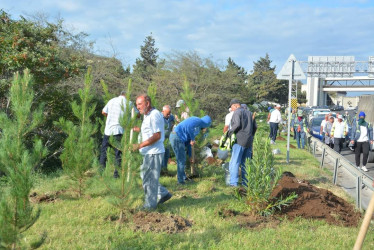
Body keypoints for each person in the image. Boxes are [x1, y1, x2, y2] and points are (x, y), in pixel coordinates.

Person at [132, 95, 172, 210]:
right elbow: (150, 131)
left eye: (140, 104)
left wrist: (139, 145)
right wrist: (137, 129)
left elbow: (157, 135)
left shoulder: (154, 115)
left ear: (147, 103)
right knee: (145, 175)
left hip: (154, 152)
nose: (137, 107)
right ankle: (163, 193)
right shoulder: (147, 115)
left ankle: (150, 206)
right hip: (148, 152)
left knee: (149, 180)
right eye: (137, 104)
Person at [100, 91, 134, 178]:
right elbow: (136, 114)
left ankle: (101, 173)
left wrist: (111, 117)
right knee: (118, 153)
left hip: (108, 130)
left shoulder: (111, 100)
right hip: (119, 130)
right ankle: (116, 175)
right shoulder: (129, 103)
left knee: (104, 152)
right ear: (127, 96)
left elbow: (103, 112)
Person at [169, 115, 212, 184]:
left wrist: (190, 156)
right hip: (176, 136)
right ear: (206, 123)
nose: (205, 129)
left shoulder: (197, 128)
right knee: (181, 159)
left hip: (179, 138)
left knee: (182, 159)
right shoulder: (197, 120)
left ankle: (183, 177)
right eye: (206, 126)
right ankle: (180, 181)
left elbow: (190, 143)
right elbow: (189, 127)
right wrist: (192, 139)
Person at [227, 99, 257, 187]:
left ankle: (233, 183)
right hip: (248, 141)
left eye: (231, 107)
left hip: (239, 140)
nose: (231, 109)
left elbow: (236, 124)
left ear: (235, 106)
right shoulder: (249, 113)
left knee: (235, 162)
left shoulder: (237, 112)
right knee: (246, 162)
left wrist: (229, 133)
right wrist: (251, 136)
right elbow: (255, 127)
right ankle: (246, 183)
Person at [161, 105, 175, 175]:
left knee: (167, 153)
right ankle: (161, 170)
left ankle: (165, 169)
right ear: (162, 112)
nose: (169, 115)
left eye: (170, 113)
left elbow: (174, 122)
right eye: (167, 113)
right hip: (161, 138)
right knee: (162, 154)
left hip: (168, 138)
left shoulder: (171, 117)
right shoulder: (159, 117)